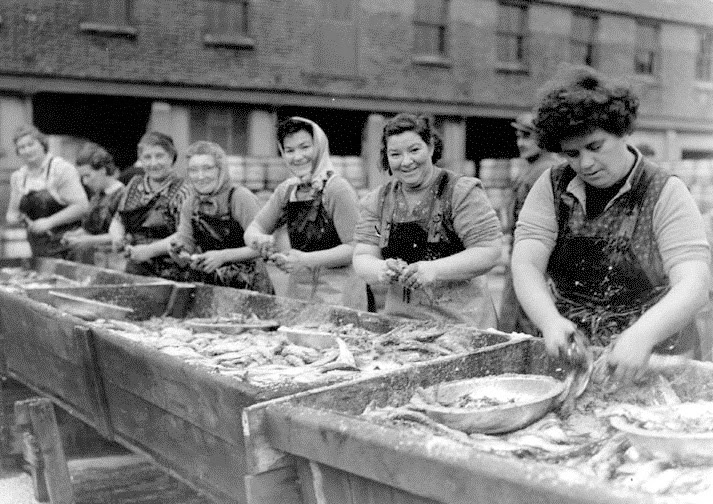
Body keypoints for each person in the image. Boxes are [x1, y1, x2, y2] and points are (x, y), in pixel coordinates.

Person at [512, 66, 711, 384]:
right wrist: (549, 322)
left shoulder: (664, 191)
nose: (585, 164)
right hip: (575, 350)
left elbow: (694, 283)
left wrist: (642, 336)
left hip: (655, 353)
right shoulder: (550, 187)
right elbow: (526, 264)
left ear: (621, 131)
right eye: (572, 154)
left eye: (595, 147)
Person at [352, 113, 503, 327]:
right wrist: (381, 269)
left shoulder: (460, 192)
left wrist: (434, 270)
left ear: (430, 147)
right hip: (401, 323)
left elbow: (489, 251)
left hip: (463, 323)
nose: (406, 162)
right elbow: (363, 255)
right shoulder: (378, 200)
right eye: (395, 154)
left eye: (414, 150)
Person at [244, 117, 367, 310]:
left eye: (304, 147)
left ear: (318, 146)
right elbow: (255, 228)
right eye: (289, 150)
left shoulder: (337, 189)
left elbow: (355, 247)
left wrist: (305, 260)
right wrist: (258, 240)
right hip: (300, 293)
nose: (297, 156)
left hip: (338, 296)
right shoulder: (287, 191)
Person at [169, 141, 273, 293]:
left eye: (207, 168)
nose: (200, 176)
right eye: (193, 170)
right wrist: (178, 253)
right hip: (212, 287)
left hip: (250, 287)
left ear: (221, 170)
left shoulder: (240, 197)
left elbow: (265, 247)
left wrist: (224, 256)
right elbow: (186, 247)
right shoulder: (190, 204)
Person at [498, 113, 561, 333]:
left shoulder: (546, 170)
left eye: (528, 136)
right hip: (520, 253)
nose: (521, 143)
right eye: (518, 136)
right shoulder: (532, 168)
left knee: (525, 323)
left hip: (535, 257)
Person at [109, 131, 190, 280]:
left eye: (159, 156)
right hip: (135, 268)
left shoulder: (184, 190)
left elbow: (185, 235)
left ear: (171, 157)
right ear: (140, 160)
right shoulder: (134, 184)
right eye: (147, 157)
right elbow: (118, 220)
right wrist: (117, 238)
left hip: (171, 272)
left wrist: (148, 251)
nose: (153, 163)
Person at [5, 125, 89, 258]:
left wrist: (49, 222)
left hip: (68, 247)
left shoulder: (61, 169)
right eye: (21, 147)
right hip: (38, 249)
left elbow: (82, 207)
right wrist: (17, 218)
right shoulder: (18, 177)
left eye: (31, 144)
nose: (27, 150)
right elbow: (11, 214)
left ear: (42, 144)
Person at [61, 142, 126, 266]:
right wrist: (75, 235)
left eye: (87, 176)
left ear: (102, 170)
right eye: (82, 178)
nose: (85, 182)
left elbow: (122, 236)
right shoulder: (96, 196)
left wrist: (87, 240)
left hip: (114, 261)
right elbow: (91, 228)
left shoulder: (123, 195)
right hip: (92, 260)